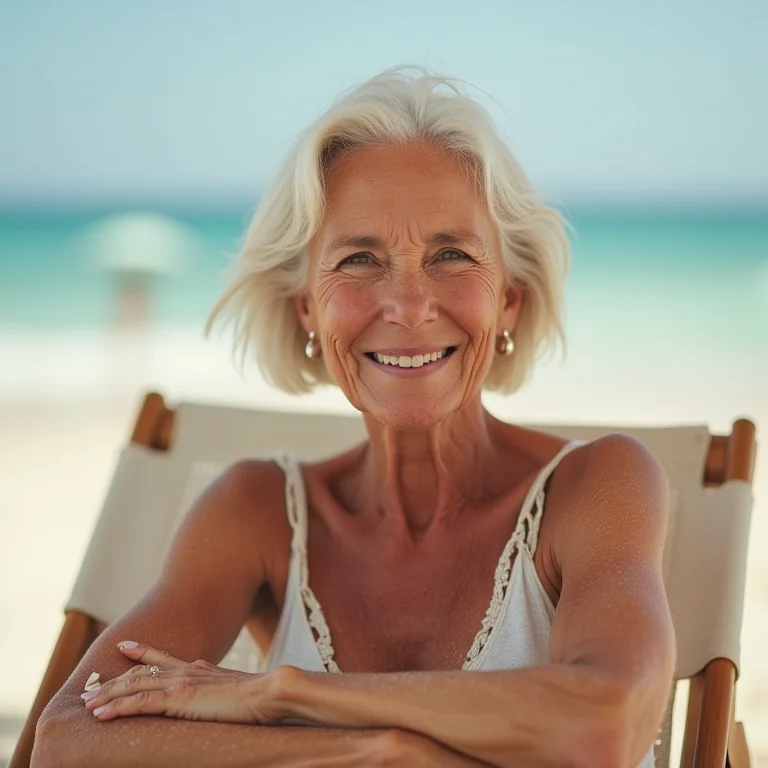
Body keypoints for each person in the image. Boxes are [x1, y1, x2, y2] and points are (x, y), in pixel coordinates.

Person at [33, 68, 674, 768]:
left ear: (510, 299)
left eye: (451, 254)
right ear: (307, 306)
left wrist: (283, 694)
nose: (408, 305)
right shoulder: (258, 513)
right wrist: (379, 751)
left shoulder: (599, 485)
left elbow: (608, 723)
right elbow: (67, 739)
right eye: (360, 258)